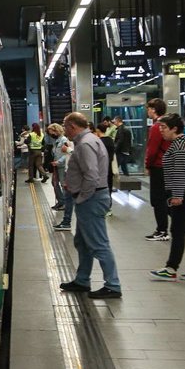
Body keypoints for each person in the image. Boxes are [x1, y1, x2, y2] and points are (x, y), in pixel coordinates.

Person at [57, 112, 121, 299]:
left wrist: (81, 196)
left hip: (91, 199)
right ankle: (82, 279)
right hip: (92, 198)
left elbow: (92, 175)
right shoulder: (89, 140)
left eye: (65, 126)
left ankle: (113, 285)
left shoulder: (85, 144)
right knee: (83, 242)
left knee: (99, 244)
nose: (64, 130)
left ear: (73, 127)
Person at [149, 114, 185, 281]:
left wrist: (177, 196)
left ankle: (171, 268)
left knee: (177, 230)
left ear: (174, 128)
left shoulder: (180, 146)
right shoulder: (180, 143)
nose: (161, 131)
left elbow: (180, 173)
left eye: (164, 128)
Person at [143, 98, 171, 242]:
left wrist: (147, 165)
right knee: (167, 198)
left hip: (158, 166)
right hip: (168, 166)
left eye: (149, 108)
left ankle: (162, 230)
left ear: (154, 109)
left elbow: (152, 149)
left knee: (158, 199)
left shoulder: (157, 127)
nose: (147, 111)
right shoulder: (169, 125)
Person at [46, 123, 68, 210]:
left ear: (56, 131)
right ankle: (61, 201)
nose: (51, 134)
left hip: (62, 165)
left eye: (51, 132)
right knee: (54, 183)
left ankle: (65, 203)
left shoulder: (64, 140)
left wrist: (59, 161)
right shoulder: (56, 140)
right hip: (56, 165)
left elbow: (67, 153)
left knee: (63, 184)